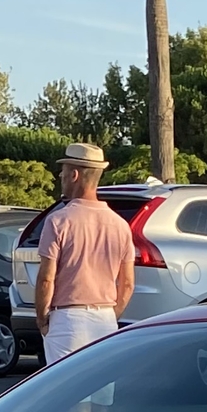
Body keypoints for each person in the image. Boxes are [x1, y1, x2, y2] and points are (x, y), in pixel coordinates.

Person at [32, 142, 136, 362]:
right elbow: (127, 284)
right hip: (105, 318)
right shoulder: (120, 225)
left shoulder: (58, 221)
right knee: (101, 392)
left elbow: (46, 279)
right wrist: (112, 315)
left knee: (64, 391)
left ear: (74, 175)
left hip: (68, 318)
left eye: (64, 172)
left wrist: (42, 318)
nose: (61, 176)